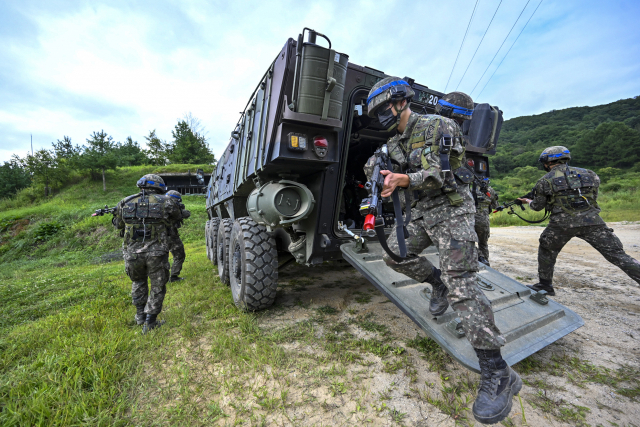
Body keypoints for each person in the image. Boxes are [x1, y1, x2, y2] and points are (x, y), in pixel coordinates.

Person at [364, 80, 520, 424]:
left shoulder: (439, 126)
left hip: (452, 209)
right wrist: (380, 176)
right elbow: (374, 164)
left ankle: (497, 372)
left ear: (401, 102)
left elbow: (443, 174)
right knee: (392, 255)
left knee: (462, 285)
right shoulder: (393, 143)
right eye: (375, 113)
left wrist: (405, 180)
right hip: (422, 215)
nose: (380, 118)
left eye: (382, 109)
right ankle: (437, 284)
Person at [518, 146, 640, 295]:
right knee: (618, 255)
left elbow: (537, 206)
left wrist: (528, 201)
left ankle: (545, 285)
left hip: (562, 225)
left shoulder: (545, 180)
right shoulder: (590, 174)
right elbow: (592, 199)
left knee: (547, 248)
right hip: (593, 222)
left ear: (547, 162)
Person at [112, 174, 182, 333]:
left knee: (138, 282)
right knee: (157, 285)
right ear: (159, 186)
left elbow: (118, 225)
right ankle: (150, 322)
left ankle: (140, 317)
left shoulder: (125, 202)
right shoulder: (166, 201)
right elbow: (177, 217)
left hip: (132, 253)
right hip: (156, 253)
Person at [166, 190, 191, 282]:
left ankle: (161, 277)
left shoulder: (159, 204)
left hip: (158, 236)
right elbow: (183, 214)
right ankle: (173, 276)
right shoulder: (171, 206)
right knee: (179, 255)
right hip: (171, 236)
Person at [474, 180, 499, 266]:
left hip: (470, 219)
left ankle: (478, 257)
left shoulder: (469, 188)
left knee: (468, 242)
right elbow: (496, 206)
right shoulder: (490, 190)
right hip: (484, 221)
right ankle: (485, 262)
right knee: (483, 243)